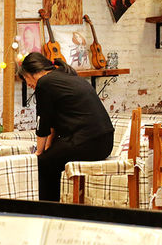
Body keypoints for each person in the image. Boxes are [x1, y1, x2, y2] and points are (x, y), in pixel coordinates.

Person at [16, 52, 114, 202]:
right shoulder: (68, 76)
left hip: (87, 142)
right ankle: (54, 207)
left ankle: (47, 209)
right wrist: (47, 149)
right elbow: (52, 124)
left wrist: (39, 153)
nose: (28, 84)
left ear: (31, 73)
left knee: (42, 164)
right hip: (105, 142)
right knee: (50, 159)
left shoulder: (44, 83)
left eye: (25, 79)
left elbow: (43, 122)